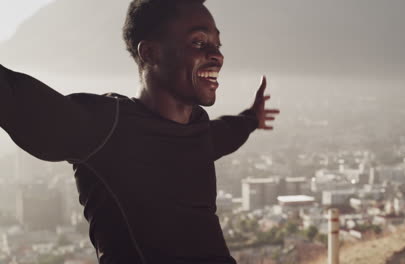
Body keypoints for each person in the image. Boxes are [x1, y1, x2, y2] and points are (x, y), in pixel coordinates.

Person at [0, 0, 280, 263]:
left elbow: (224, 133)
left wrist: (252, 118)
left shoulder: (197, 128)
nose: (217, 55)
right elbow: (14, 97)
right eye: (198, 42)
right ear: (149, 53)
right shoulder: (106, 128)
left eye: (217, 45)